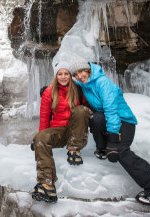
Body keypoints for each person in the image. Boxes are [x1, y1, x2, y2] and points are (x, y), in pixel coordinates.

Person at [69, 59, 150, 205]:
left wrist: (113, 140)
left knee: (120, 151)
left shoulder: (102, 83)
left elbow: (111, 110)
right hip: (107, 119)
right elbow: (65, 83)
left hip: (123, 121)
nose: (79, 76)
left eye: (81, 71)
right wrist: (49, 89)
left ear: (88, 70)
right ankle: (102, 149)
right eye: (76, 74)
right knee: (94, 118)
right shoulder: (84, 84)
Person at [31, 61, 91, 203]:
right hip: (58, 132)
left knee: (81, 110)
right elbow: (44, 116)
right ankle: (47, 184)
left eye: (66, 74)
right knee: (40, 137)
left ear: (70, 76)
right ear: (56, 76)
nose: (63, 77)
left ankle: (74, 149)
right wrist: (39, 139)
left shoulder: (78, 89)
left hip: (75, 131)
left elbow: (87, 110)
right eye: (60, 74)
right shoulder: (49, 92)